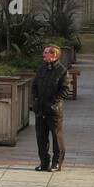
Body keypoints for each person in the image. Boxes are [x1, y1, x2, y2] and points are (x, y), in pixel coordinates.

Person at [32, 44, 68, 172]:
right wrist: (35, 99)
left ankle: (57, 163)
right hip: (40, 109)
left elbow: (64, 91)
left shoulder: (62, 71)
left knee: (57, 137)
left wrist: (53, 103)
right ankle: (44, 162)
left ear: (54, 55)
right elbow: (34, 85)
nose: (43, 55)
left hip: (53, 111)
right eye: (44, 52)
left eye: (46, 52)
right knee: (41, 137)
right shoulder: (41, 69)